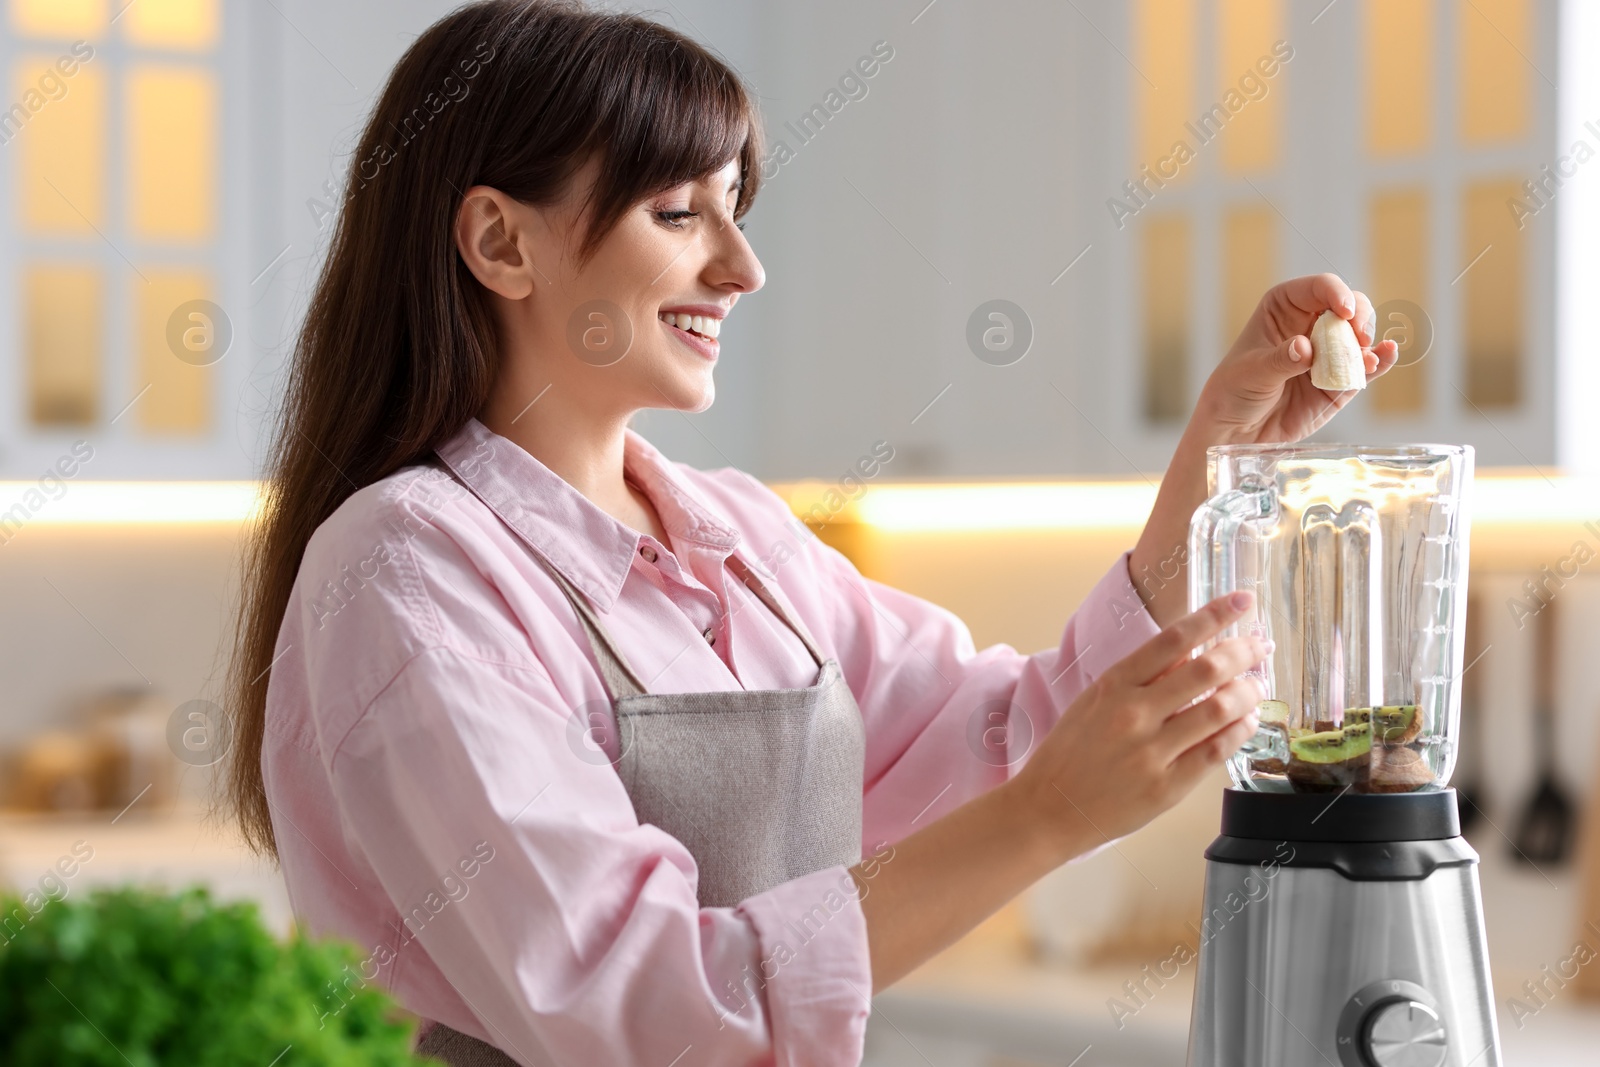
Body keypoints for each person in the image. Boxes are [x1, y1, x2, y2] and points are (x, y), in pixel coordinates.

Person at [224, 2, 1398, 1064]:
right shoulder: (410, 566)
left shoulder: (737, 534)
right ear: (500, 244)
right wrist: (1044, 817)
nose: (741, 266)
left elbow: (1013, 734)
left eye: (736, 208)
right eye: (679, 211)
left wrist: (1221, 450)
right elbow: (631, 1005)